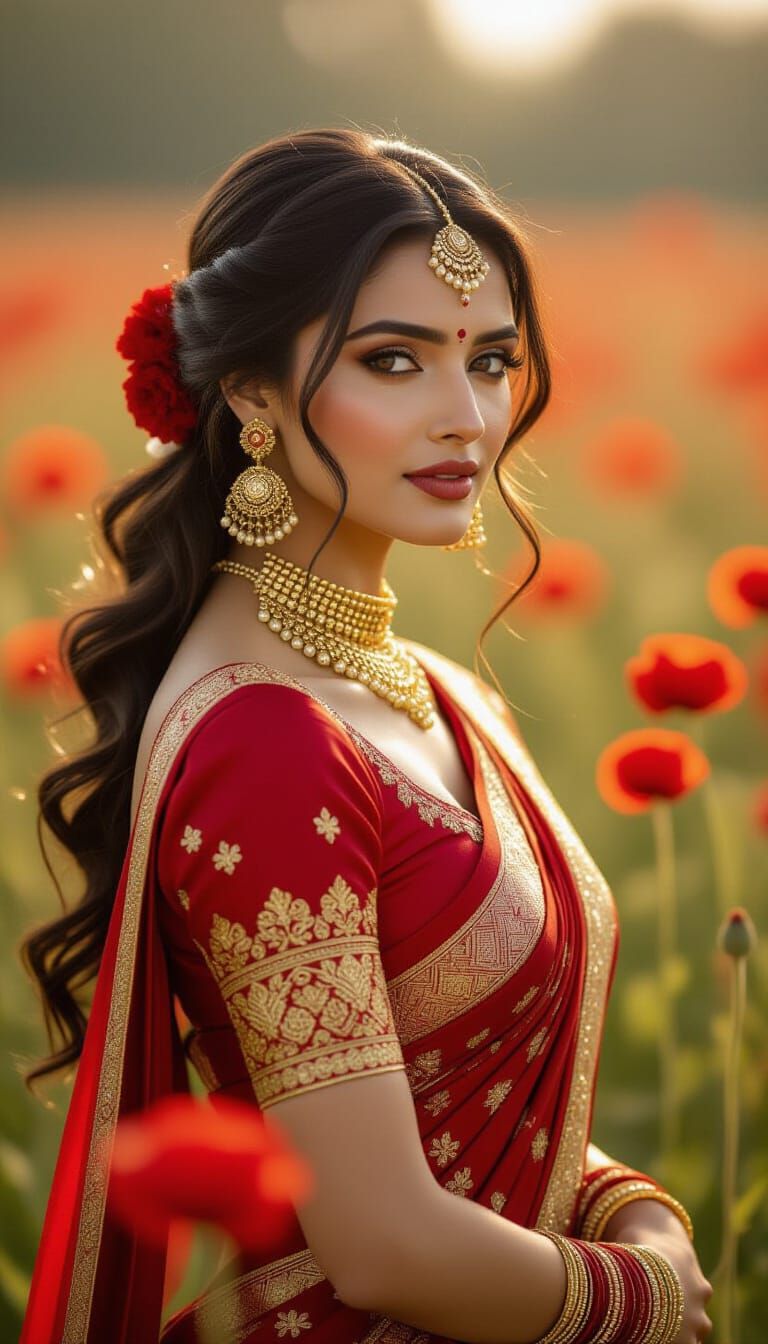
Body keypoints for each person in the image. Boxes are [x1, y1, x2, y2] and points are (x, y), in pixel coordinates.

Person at [18, 128, 714, 1344]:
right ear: (248, 393)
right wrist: (640, 1294)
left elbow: (468, 1103)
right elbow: (384, 1243)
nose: (467, 417)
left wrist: (623, 1201)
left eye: (491, 360)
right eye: (395, 361)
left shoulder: (431, 687)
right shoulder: (264, 748)